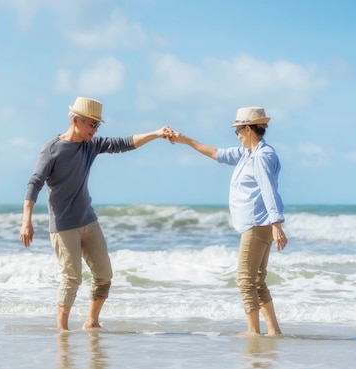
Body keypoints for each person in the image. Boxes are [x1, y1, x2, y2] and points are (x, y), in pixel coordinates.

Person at [20, 97, 172, 331]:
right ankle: (62, 330)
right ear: (75, 120)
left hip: (88, 221)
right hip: (63, 226)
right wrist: (26, 222)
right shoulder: (52, 149)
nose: (94, 129)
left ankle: (92, 322)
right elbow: (34, 183)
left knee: (104, 274)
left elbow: (124, 143)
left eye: (97, 125)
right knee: (72, 279)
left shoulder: (90, 145)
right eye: (91, 124)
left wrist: (156, 133)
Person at [170, 107, 288, 336]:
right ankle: (274, 331)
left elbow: (269, 190)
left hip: (257, 224)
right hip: (256, 224)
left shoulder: (262, 156)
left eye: (238, 131)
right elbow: (216, 153)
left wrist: (277, 224)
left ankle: (253, 332)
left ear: (247, 129)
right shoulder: (247, 153)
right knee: (256, 280)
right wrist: (186, 141)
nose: (237, 135)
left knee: (244, 279)